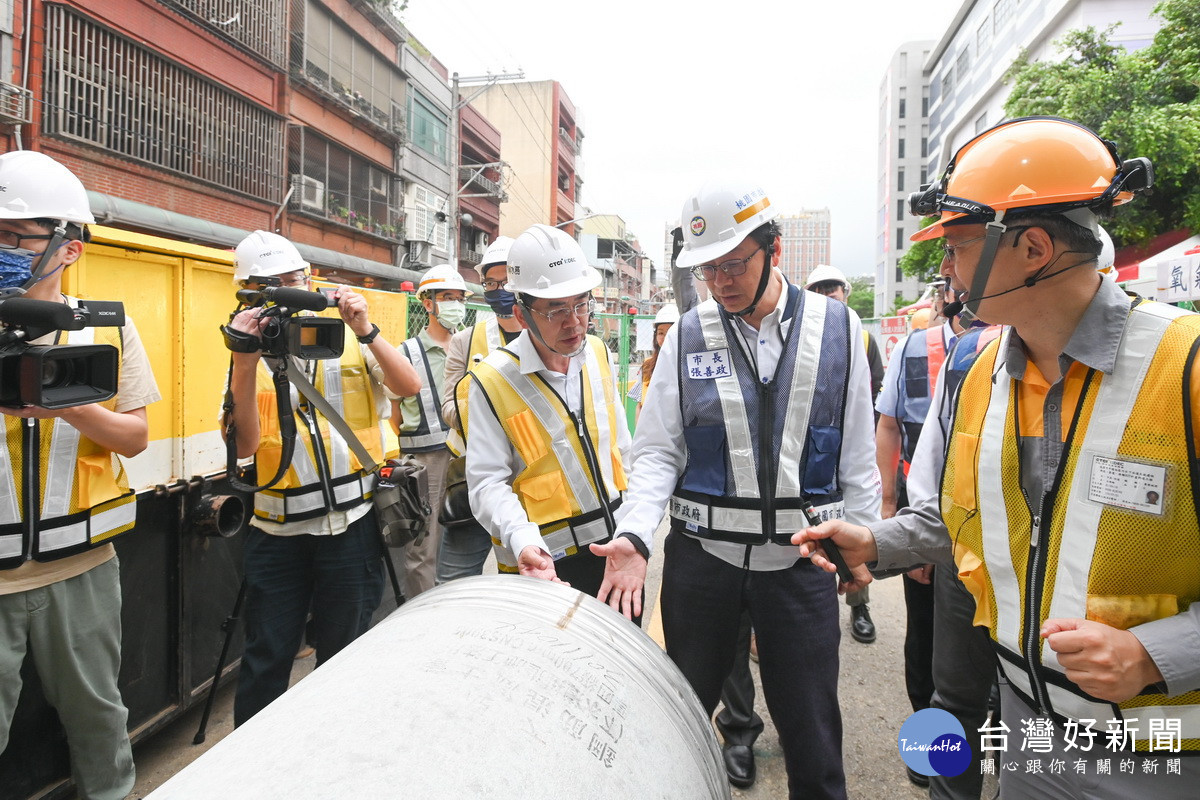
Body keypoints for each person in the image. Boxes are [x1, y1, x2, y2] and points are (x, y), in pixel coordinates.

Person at [796, 117, 1200, 797]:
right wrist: (875, 542)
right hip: (1026, 734)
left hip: (1156, 756)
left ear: (1034, 247)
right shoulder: (980, 371)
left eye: (956, 248)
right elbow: (967, 518)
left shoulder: (1184, 366)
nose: (945, 271)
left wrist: (1156, 655)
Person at [614, 180, 880, 800]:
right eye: (710, 269)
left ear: (775, 250)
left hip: (800, 564)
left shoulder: (840, 329)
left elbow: (857, 454)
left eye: (735, 263)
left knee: (813, 738)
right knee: (675, 724)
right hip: (702, 565)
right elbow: (657, 450)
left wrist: (864, 542)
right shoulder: (686, 334)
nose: (722, 281)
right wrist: (634, 533)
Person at [0, 150, 160, 799]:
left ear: (69, 248)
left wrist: (66, 404)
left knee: (99, 721)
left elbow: (136, 436)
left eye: (16, 236)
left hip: (83, 570)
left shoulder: (108, 328)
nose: (4, 248)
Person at [222, 230, 420, 726]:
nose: (288, 295)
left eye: (294, 281)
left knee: (347, 653)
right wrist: (243, 360)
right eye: (271, 287)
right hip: (277, 535)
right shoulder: (244, 350)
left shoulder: (349, 338)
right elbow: (242, 446)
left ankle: (339, 750)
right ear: (246, 294)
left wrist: (367, 329)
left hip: (351, 528)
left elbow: (408, 387)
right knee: (267, 657)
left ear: (311, 279)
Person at [464, 224, 638, 616]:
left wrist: (635, 531)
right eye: (556, 309)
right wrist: (524, 542)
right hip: (545, 567)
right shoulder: (491, 379)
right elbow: (487, 482)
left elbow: (623, 449)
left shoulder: (598, 353)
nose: (574, 322)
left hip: (615, 552)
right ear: (522, 315)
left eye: (580, 304)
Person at [806, 263, 881, 645]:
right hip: (813, 452)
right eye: (817, 291)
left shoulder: (858, 336)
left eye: (831, 290)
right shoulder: (798, 338)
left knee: (854, 528)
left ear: (845, 293)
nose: (825, 297)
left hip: (847, 442)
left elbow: (874, 389)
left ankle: (859, 604)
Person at [436, 236, 519, 583]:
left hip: (530, 485)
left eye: (507, 281)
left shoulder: (549, 337)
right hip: (471, 482)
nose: (498, 289)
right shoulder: (465, 340)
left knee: (522, 579)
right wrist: (493, 417)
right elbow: (448, 407)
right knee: (452, 581)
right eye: (490, 282)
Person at [394, 263, 469, 598]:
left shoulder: (468, 347)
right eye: (447, 297)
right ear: (427, 303)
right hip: (423, 461)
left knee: (463, 538)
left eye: (459, 298)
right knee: (423, 545)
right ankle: (422, 616)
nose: (455, 304)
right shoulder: (405, 353)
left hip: (464, 458)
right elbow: (393, 415)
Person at [631, 303, 679, 416]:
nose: (665, 337)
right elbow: (640, 405)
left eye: (671, 332)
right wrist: (640, 432)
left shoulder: (687, 365)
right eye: (661, 333)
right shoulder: (647, 365)